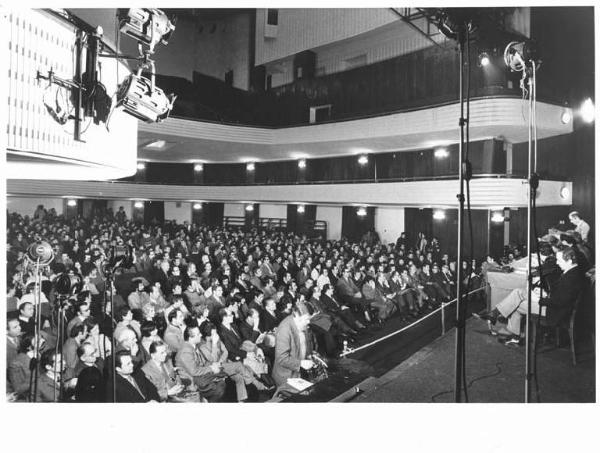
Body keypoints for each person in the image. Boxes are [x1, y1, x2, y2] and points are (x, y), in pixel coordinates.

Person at [474, 247, 585, 345]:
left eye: (560, 260)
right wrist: (543, 292)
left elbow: (560, 301)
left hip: (555, 312)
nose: (558, 263)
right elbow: (561, 294)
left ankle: (512, 333)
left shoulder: (571, 278)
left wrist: (542, 299)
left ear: (569, 260)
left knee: (516, 304)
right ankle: (495, 315)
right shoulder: (574, 271)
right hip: (555, 305)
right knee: (519, 292)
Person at [175, 325, 227, 402]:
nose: (201, 335)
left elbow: (203, 362)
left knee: (223, 378)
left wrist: (212, 365)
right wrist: (211, 368)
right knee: (220, 386)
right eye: (198, 334)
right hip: (193, 381)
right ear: (191, 337)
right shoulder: (185, 350)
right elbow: (194, 371)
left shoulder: (194, 346)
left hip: (200, 376)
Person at [272, 302, 316, 387]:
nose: (308, 322)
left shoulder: (303, 324)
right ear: (296, 315)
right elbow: (281, 358)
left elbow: (306, 343)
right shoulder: (284, 330)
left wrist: (310, 354)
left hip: (300, 372)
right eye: (306, 319)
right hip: (287, 376)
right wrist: (301, 363)